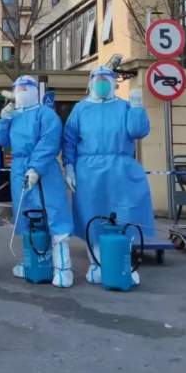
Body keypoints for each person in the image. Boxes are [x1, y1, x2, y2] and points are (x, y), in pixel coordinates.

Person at [62, 66, 154, 286]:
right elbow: (69, 140)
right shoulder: (81, 109)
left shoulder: (124, 106)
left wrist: (137, 107)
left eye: (107, 79)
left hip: (121, 168)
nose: (102, 83)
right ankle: (97, 263)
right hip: (88, 171)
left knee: (124, 214)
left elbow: (138, 131)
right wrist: (69, 167)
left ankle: (122, 263)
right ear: (90, 82)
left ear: (114, 83)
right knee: (92, 216)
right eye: (98, 79)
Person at [0, 75, 74, 287]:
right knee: (26, 215)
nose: (21, 92)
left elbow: (50, 141)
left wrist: (36, 168)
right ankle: (32, 262)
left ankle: (63, 267)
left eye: (25, 88)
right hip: (19, 168)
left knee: (54, 214)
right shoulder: (14, 115)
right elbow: (2, 141)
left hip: (45, 170)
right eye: (18, 88)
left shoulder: (45, 114)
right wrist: (4, 120)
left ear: (34, 91)